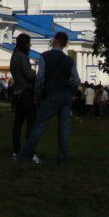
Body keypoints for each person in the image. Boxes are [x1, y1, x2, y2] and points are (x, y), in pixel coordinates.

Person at [16, 31, 80, 165]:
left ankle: (25, 154)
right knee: (64, 128)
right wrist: (71, 92)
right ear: (65, 44)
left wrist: (37, 94)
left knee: (39, 125)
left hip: (52, 95)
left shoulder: (45, 56)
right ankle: (62, 159)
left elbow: (40, 78)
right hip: (66, 96)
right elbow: (76, 80)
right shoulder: (69, 60)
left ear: (55, 40)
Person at [9, 33, 36, 158]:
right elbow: (28, 75)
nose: (30, 46)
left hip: (17, 92)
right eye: (29, 43)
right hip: (26, 92)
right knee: (31, 122)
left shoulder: (14, 56)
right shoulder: (23, 57)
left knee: (17, 123)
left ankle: (16, 150)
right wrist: (34, 73)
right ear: (25, 44)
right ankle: (29, 151)